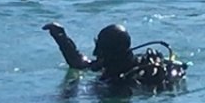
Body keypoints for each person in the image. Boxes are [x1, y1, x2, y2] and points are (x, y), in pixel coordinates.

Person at [42, 22, 187, 91]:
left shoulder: (126, 80)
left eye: (100, 50)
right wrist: (61, 38)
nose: (95, 54)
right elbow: (80, 63)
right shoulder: (114, 62)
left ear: (112, 53)